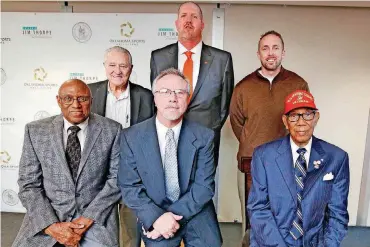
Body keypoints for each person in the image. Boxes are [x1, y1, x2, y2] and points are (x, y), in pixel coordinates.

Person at [118, 68, 222, 247]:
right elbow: (129, 186)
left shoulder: (204, 136)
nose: (173, 98)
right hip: (154, 210)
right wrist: (157, 219)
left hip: (195, 210)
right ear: (155, 97)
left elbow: (204, 187)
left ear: (188, 99)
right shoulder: (131, 137)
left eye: (180, 92)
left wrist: (170, 218)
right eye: (165, 92)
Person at [13, 79, 122, 247]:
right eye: (68, 98)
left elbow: (116, 179)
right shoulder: (36, 131)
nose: (76, 104)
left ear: (91, 101)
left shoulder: (112, 130)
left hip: (95, 218)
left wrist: (87, 219)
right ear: (59, 101)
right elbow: (28, 184)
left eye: (82, 98)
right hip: (48, 216)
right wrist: (51, 226)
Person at [229, 30, 309, 246]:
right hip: (251, 163)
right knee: (252, 220)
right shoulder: (243, 87)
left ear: (283, 52)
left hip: (287, 163)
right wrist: (252, 143)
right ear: (258, 54)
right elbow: (236, 123)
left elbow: (304, 121)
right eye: (265, 48)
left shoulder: (297, 84)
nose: (270, 53)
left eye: (275, 48)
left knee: (285, 218)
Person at [248, 90, 349, 247]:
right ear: (285, 121)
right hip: (272, 240)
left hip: (315, 241)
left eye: (307, 115)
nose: (301, 122)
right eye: (294, 116)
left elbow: (338, 214)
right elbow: (258, 208)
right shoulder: (263, 156)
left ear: (316, 118)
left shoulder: (336, 157)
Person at [150, 1, 234, 167]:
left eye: (194, 16)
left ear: (202, 24)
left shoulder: (222, 59)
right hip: (167, 138)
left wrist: (211, 130)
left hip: (205, 140)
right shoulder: (158, 57)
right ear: (177, 23)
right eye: (183, 16)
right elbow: (157, 98)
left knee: (202, 189)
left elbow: (225, 105)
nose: (188, 20)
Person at [88, 46, 154, 247]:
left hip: (133, 170)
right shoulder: (89, 92)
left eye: (123, 66)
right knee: (100, 226)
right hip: (98, 170)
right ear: (104, 66)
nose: (117, 71)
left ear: (131, 68)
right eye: (112, 65)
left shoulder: (146, 96)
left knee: (130, 227)